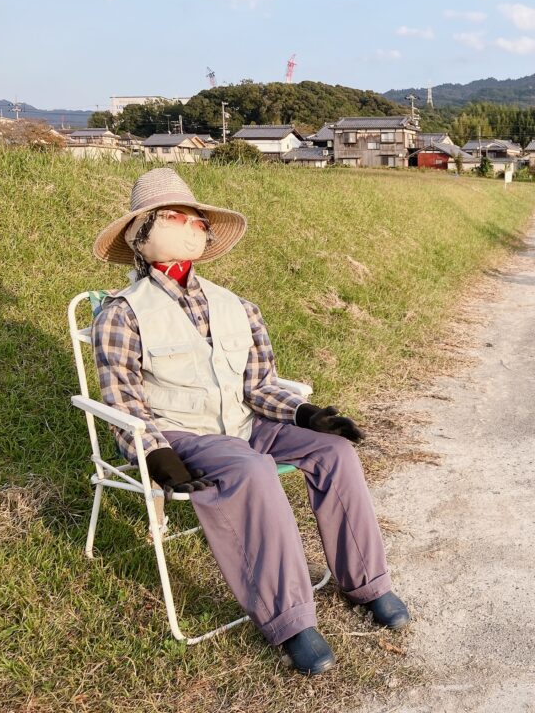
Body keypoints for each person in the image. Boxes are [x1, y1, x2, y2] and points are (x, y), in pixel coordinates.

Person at [91, 168, 408, 676]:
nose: (191, 225)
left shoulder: (237, 306)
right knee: (252, 469)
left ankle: (369, 582)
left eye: (195, 218)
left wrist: (306, 414)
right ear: (141, 233)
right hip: (183, 432)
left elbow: (259, 386)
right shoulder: (122, 314)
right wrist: (152, 452)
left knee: (335, 453)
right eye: (175, 218)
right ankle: (291, 618)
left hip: (244, 421)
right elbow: (124, 400)